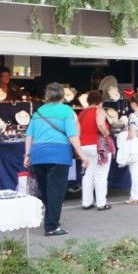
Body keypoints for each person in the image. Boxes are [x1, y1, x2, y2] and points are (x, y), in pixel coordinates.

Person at [24, 82, 90, 237]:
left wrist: (27, 155)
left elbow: (29, 135)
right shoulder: (66, 111)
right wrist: (82, 154)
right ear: (62, 96)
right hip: (58, 155)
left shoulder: (38, 111)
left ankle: (51, 220)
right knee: (56, 192)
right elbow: (72, 135)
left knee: (46, 191)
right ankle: (52, 226)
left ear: (47, 96)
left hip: (38, 155)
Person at [77, 90, 112, 211]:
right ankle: (101, 203)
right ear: (100, 102)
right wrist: (107, 135)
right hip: (98, 146)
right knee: (101, 174)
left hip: (83, 146)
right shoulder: (99, 111)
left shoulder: (81, 113)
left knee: (89, 174)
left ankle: (86, 202)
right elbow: (101, 124)